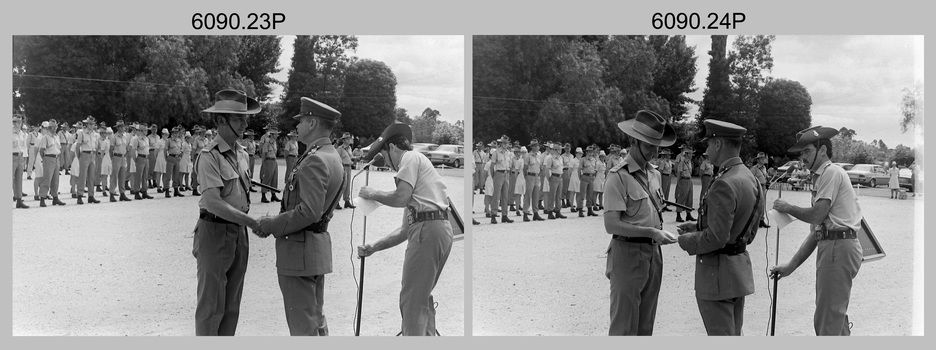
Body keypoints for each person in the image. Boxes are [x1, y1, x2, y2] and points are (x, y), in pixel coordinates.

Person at [254, 97, 344, 336]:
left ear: (313, 123)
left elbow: (309, 211)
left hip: (299, 252)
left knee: (303, 329)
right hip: (314, 249)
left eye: (302, 121)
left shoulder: (315, 158)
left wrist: (271, 224)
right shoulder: (331, 155)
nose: (297, 126)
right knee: (315, 322)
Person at [357, 122, 454, 336]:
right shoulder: (419, 167)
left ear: (392, 148)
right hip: (435, 228)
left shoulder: (409, 158)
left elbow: (401, 197)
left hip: (428, 229)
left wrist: (373, 194)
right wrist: (374, 247)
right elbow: (404, 231)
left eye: (384, 154)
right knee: (421, 298)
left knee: (411, 302)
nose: (388, 164)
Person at [771, 125, 862, 336]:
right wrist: (790, 266)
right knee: (833, 316)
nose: (802, 157)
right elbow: (816, 232)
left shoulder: (830, 172)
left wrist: (788, 207)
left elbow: (817, 216)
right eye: (801, 152)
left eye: (807, 151)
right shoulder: (822, 176)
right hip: (834, 245)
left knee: (827, 320)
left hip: (838, 247)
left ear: (822, 150)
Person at [675, 119, 763, 335]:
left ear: (718, 144)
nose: (706, 149)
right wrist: (697, 226)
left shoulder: (724, 182)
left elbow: (716, 238)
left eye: (708, 144)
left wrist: (687, 240)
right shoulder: (749, 177)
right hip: (736, 271)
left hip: (717, 276)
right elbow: (746, 228)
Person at [192, 89, 262, 336]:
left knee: (232, 305)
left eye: (245, 118)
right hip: (215, 230)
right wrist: (252, 222)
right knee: (212, 306)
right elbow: (213, 202)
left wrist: (245, 223)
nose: (244, 123)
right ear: (221, 120)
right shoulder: (209, 156)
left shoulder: (242, 153)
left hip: (237, 232)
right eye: (238, 118)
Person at [604, 110, 679, 335]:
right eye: (649, 146)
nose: (655, 151)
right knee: (624, 327)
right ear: (634, 142)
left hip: (653, 254)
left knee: (646, 325)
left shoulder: (654, 174)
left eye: (657, 146)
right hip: (627, 253)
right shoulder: (618, 177)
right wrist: (651, 232)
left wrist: (655, 234)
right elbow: (611, 225)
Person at [38, 120, 67, 207]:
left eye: (56, 127)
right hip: (49, 158)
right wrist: (45, 158)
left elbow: (59, 148)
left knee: (55, 180)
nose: (55, 129)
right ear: (49, 128)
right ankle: (42, 198)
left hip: (56, 158)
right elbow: (41, 150)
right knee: (47, 179)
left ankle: (55, 197)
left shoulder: (57, 137)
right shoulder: (46, 137)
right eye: (53, 127)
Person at [488, 135, 513, 224]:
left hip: (506, 173)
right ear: (501, 143)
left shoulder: (509, 153)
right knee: (496, 195)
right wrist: (493, 176)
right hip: (499, 173)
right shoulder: (496, 152)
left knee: (505, 196)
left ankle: (504, 215)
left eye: (507, 143)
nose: (506, 144)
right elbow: (492, 165)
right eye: (504, 143)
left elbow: (510, 165)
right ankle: (493, 215)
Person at [522, 139, 545, 222]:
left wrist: (539, 173)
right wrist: (527, 177)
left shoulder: (539, 155)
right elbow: (524, 168)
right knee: (528, 195)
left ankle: (536, 213)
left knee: (536, 195)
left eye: (537, 145)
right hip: (530, 176)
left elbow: (541, 166)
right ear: (532, 147)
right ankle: (525, 213)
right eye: (535, 145)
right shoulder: (528, 156)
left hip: (537, 176)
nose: (537, 147)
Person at [130, 124, 154, 200]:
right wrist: (135, 159)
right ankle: (136, 192)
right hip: (140, 157)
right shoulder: (137, 139)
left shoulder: (146, 139)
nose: (146, 131)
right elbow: (133, 150)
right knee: (138, 176)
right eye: (145, 130)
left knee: (145, 176)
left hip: (146, 157)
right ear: (141, 131)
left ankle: (144, 191)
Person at [543, 142, 567, 219]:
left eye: (560, 149)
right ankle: (550, 211)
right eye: (559, 149)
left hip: (560, 177)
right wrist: (549, 178)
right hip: (554, 176)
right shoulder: (550, 158)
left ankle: (558, 210)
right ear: (555, 150)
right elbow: (547, 169)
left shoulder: (560, 158)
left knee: (558, 195)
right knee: (552, 195)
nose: (560, 151)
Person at [109, 121, 131, 202]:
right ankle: (112, 193)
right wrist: (113, 158)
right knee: (114, 176)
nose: (122, 128)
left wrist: (125, 154)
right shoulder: (113, 137)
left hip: (123, 157)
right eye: (120, 126)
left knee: (122, 176)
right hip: (116, 157)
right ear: (117, 128)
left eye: (123, 126)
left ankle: (122, 193)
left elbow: (127, 147)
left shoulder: (125, 136)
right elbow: (110, 149)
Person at [259, 125, 281, 203]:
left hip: (274, 160)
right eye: (275, 134)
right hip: (268, 160)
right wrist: (264, 163)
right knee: (267, 178)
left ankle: (273, 195)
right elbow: (264, 154)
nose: (277, 136)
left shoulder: (274, 143)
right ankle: (263, 195)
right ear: (271, 135)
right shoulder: (267, 144)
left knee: (274, 178)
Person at [674, 144, 696, 222]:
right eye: (690, 153)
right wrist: (678, 183)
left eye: (691, 153)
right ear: (686, 154)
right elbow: (679, 173)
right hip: (683, 180)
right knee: (682, 198)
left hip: (689, 180)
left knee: (690, 198)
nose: (691, 155)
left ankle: (688, 214)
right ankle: (678, 215)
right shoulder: (682, 163)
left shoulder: (690, 162)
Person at [13, 114, 29, 208]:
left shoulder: (22, 133)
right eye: (15, 121)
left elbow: (23, 146)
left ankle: (19, 200)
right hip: (11, 157)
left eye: (19, 121)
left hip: (20, 157)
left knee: (19, 180)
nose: (17, 123)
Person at [750, 152, 770, 228]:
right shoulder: (754, 169)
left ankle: (761, 220)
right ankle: (754, 221)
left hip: (764, 186)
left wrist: (767, 179)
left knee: (762, 203)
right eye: (761, 158)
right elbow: (751, 178)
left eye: (764, 158)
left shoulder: (764, 168)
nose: (763, 159)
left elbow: (765, 176)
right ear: (758, 160)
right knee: (756, 203)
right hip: (757, 187)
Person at [336, 132, 355, 209]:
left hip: (349, 167)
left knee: (347, 185)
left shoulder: (350, 148)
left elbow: (350, 157)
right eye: (347, 138)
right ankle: (336, 202)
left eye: (349, 138)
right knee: (341, 185)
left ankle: (347, 201)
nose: (349, 140)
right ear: (343, 140)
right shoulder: (340, 149)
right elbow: (337, 158)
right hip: (343, 167)